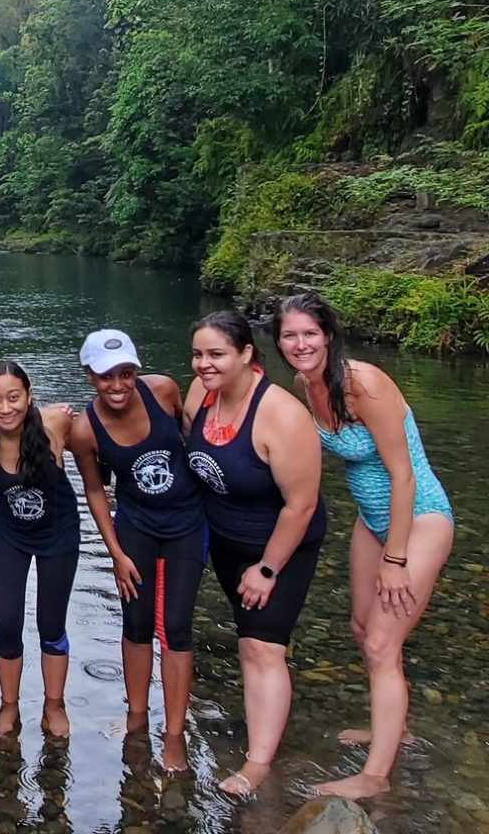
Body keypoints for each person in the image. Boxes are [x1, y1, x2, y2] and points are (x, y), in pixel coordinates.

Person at [273, 292, 453, 799]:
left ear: (328, 335)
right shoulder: (305, 385)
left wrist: (396, 559)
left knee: (381, 641)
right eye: (290, 335)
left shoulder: (363, 383)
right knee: (361, 627)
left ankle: (375, 777)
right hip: (371, 521)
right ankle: (393, 727)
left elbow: (403, 476)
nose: (300, 344)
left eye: (310, 333)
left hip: (419, 519)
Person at [183, 310, 327, 797]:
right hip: (225, 540)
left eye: (217, 354)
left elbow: (301, 503)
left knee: (261, 646)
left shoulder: (282, 415)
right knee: (251, 635)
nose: (205, 364)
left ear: (247, 354)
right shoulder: (201, 393)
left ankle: (259, 763)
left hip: (280, 546)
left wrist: (267, 569)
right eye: (198, 354)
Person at [68, 329, 205, 772]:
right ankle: (136, 716)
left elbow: (195, 443)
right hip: (136, 527)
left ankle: (175, 733)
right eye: (107, 376)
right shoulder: (84, 430)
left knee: (178, 627)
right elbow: (94, 490)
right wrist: (116, 553)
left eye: (126, 374)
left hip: (186, 521)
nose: (118, 385)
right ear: (90, 375)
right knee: (137, 622)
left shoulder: (163, 391)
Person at [0, 360, 81, 738]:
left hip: (58, 534)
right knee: (7, 622)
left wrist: (61, 413)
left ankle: (54, 705)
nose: (6, 408)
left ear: (29, 397)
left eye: (14, 398)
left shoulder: (50, 430)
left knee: (51, 624)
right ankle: (9, 706)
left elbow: (69, 419)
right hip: (8, 536)